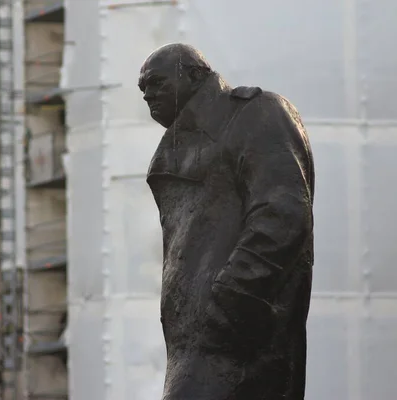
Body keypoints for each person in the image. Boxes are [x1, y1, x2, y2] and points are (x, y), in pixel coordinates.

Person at [139, 43, 315, 399]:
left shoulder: (256, 113)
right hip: (195, 340)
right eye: (143, 90)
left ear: (193, 75)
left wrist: (232, 300)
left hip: (241, 334)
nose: (148, 96)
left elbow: (283, 213)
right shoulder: (174, 147)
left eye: (156, 83)